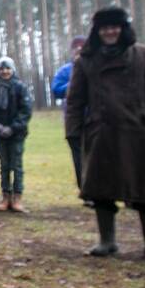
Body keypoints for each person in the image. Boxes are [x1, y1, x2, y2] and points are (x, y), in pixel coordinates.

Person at [66, 6, 145, 261]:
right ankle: (107, 241)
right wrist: (72, 130)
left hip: (139, 130)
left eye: (114, 26)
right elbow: (75, 100)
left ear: (123, 28)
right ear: (97, 31)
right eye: (105, 28)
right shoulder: (86, 61)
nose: (110, 31)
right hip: (101, 133)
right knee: (100, 190)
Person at [0, 57, 33, 212]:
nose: (5, 71)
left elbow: (26, 111)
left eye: (8, 68)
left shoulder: (20, 87)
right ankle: (6, 197)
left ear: (13, 70)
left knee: (17, 166)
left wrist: (12, 128)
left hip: (17, 134)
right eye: (1, 69)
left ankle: (17, 198)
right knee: (4, 166)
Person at [51, 37, 88, 197]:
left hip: (97, 120)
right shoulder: (65, 71)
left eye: (82, 48)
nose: (79, 51)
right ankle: (85, 192)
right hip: (74, 120)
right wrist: (75, 82)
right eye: (76, 48)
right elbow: (56, 90)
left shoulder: (95, 67)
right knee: (79, 157)